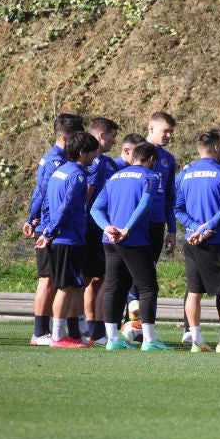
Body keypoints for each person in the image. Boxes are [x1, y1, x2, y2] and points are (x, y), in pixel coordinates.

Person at [90, 142, 172, 351]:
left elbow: (95, 209)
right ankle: (150, 340)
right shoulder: (150, 176)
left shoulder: (114, 177)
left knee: (114, 287)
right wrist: (127, 229)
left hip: (109, 239)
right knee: (148, 287)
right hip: (133, 240)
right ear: (152, 159)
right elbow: (144, 204)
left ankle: (112, 340)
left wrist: (107, 227)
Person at [175, 131, 220, 353]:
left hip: (191, 240)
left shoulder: (184, 173)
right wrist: (207, 229)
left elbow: (177, 209)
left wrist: (195, 228)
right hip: (217, 240)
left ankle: (196, 341)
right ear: (216, 148)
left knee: (194, 290)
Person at [22, 113, 84, 346]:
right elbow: (44, 193)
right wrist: (37, 221)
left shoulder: (55, 159)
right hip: (50, 227)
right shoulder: (56, 161)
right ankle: (40, 332)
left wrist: (32, 218)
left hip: (50, 226)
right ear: (66, 138)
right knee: (47, 280)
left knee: (58, 281)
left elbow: (39, 191)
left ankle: (61, 331)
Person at [35, 132, 100, 348]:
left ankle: (71, 335)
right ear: (82, 153)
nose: (95, 157)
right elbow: (66, 207)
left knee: (70, 287)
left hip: (62, 238)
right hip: (68, 239)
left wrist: (47, 230)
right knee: (65, 288)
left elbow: (47, 204)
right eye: (92, 153)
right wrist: (49, 232)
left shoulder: (59, 172)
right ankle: (57, 336)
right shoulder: (78, 176)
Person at [84, 117, 120, 346]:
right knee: (94, 279)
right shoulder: (95, 164)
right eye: (112, 136)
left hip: (103, 229)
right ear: (101, 136)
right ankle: (91, 330)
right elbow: (87, 198)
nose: (114, 141)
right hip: (92, 229)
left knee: (98, 279)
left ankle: (92, 330)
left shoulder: (109, 163)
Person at [145, 112, 178, 264]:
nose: (169, 135)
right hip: (135, 223)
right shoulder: (134, 150)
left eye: (171, 132)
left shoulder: (168, 159)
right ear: (151, 129)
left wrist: (172, 230)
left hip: (157, 222)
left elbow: (170, 197)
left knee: (150, 270)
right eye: (165, 131)